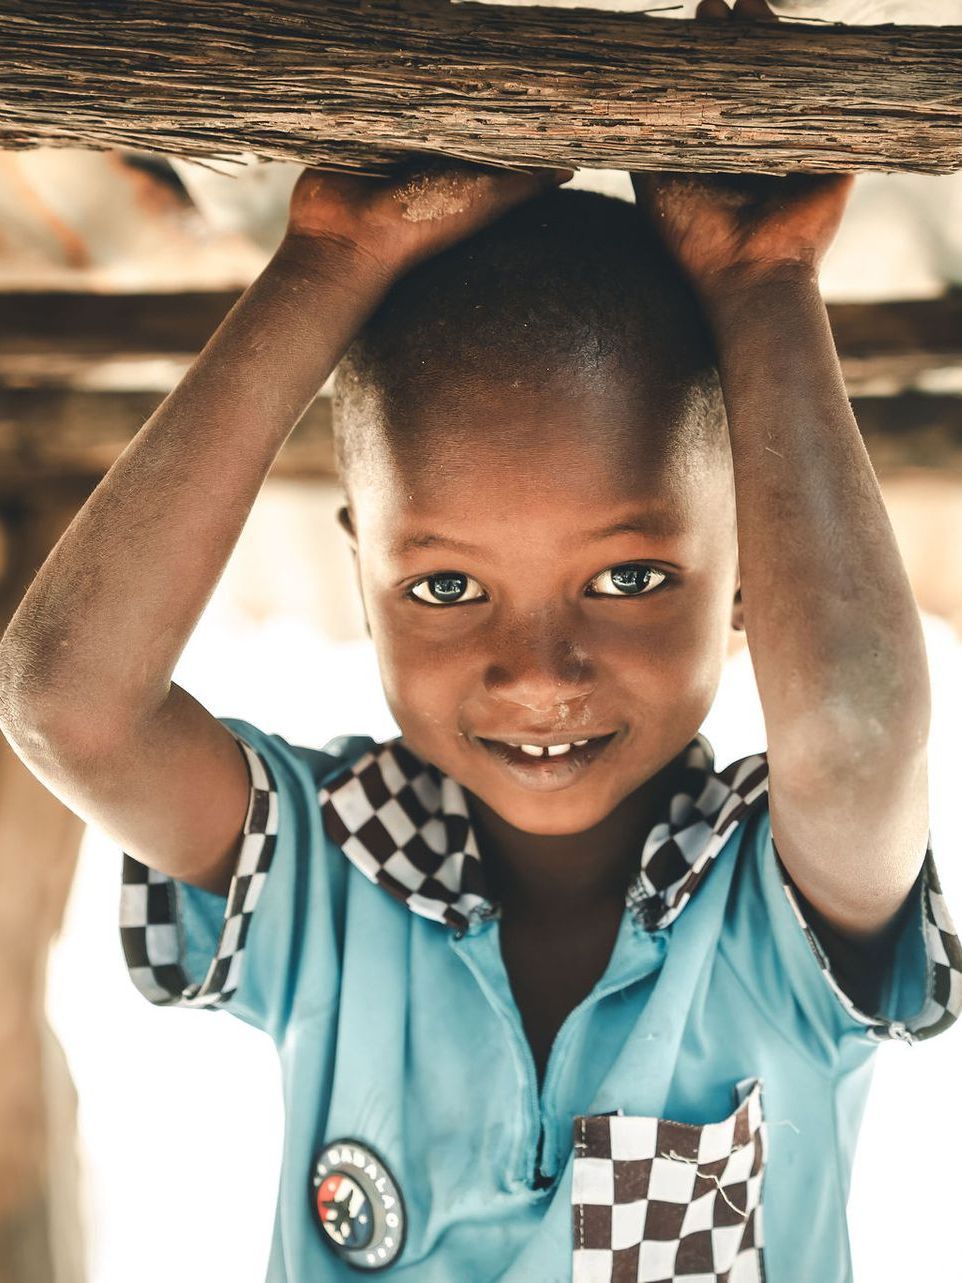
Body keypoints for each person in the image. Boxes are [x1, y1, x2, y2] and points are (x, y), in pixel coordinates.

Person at [0, 2, 959, 1279]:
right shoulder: (324, 879)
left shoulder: (776, 905)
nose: (535, 669)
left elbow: (851, 726)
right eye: (446, 588)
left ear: (748, 585)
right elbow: (68, 702)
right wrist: (329, 257)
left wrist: (760, 286)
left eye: (628, 573)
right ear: (361, 573)